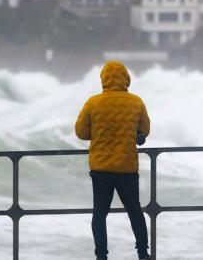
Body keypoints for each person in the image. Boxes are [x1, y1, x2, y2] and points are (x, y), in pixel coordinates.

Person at [75, 61, 151, 260]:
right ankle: (143, 254)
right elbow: (145, 130)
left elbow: (81, 132)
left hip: (101, 168)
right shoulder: (136, 102)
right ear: (126, 78)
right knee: (135, 211)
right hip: (126, 167)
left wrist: (100, 132)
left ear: (103, 79)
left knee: (100, 214)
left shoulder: (93, 103)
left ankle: (101, 256)